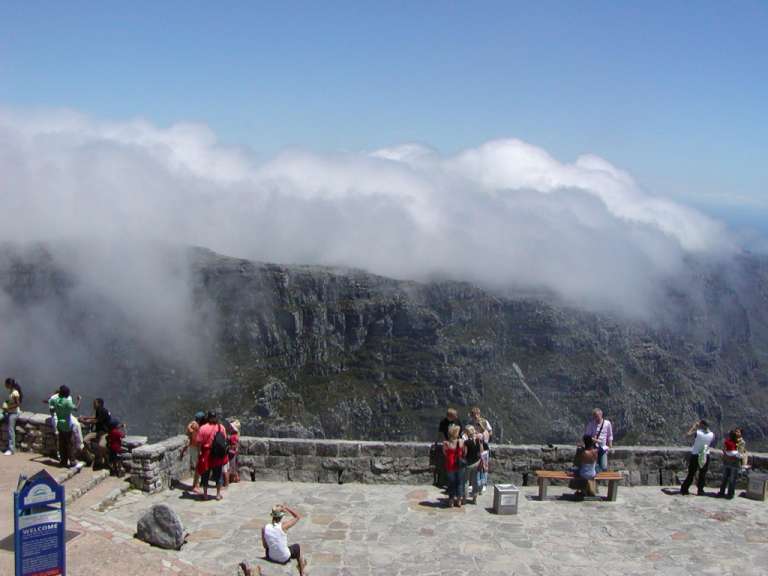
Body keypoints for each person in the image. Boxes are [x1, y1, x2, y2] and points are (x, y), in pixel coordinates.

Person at [262, 504, 307, 576]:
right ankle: (302, 573)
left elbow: (265, 546)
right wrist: (287, 508)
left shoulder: (264, 528)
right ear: (281, 516)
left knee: (269, 546)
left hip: (271, 556)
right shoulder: (284, 526)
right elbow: (297, 516)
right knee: (298, 547)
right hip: (284, 558)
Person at [195, 411, 228, 500]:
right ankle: (217, 494)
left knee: (205, 474)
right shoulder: (221, 427)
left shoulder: (202, 428)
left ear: (208, 418)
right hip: (217, 454)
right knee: (218, 474)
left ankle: (205, 494)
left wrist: (199, 453)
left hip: (206, 454)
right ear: (216, 417)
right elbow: (224, 440)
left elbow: (198, 442)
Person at [680, 419, 715, 496]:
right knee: (702, 474)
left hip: (696, 454)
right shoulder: (712, 434)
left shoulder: (697, 433)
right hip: (705, 454)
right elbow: (711, 443)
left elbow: (687, 435)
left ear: (701, 425)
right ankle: (700, 490)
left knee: (691, 473)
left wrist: (694, 427)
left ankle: (684, 489)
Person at [50, 386, 81, 468]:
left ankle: (63, 461)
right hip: (67, 426)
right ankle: (72, 461)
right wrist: (79, 400)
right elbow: (76, 409)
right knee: (69, 444)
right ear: (67, 393)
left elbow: (52, 409)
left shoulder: (56, 401)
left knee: (62, 444)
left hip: (60, 424)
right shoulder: (67, 402)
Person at [79, 398, 111, 469]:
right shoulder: (98, 410)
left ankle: (106, 460)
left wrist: (84, 421)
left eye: (95, 403)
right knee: (85, 440)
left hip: (104, 432)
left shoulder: (103, 411)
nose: (93, 404)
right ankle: (92, 456)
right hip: (97, 431)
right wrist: (85, 417)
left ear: (99, 404)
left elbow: (96, 420)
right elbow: (94, 417)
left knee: (101, 446)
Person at [180, 411, 206, 493]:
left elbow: (188, 434)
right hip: (195, 448)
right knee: (198, 467)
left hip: (193, 447)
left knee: (198, 467)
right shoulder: (196, 426)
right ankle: (195, 485)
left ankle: (197, 484)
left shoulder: (192, 425)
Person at [569, 435, 599, 499]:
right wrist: (594, 440)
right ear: (591, 442)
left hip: (583, 474)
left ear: (584, 442)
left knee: (571, 469)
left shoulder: (582, 452)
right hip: (592, 474)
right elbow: (600, 445)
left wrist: (579, 448)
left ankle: (582, 490)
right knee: (597, 467)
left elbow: (576, 463)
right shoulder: (596, 451)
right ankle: (586, 490)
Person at [443, 424, 465, 507]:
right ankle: (459, 501)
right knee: (459, 483)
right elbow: (464, 451)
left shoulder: (446, 443)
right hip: (459, 465)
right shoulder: (461, 441)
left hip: (450, 465)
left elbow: (445, 453)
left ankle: (451, 501)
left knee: (451, 483)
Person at [1, 378, 23, 455]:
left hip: (14, 413)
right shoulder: (11, 391)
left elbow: (18, 404)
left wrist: (8, 408)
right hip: (10, 412)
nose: (5, 385)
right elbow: (12, 402)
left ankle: (11, 449)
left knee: (10, 430)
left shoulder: (15, 393)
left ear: (9, 384)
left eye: (6, 384)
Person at [718, 430, 741, 499]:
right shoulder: (737, 442)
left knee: (727, 478)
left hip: (729, 461)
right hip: (733, 462)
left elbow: (724, 450)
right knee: (730, 479)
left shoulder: (738, 442)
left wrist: (727, 456)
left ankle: (725, 493)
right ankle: (729, 494)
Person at [463, 425, 482, 503]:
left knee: (466, 481)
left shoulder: (466, 442)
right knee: (475, 481)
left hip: (468, 463)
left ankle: (464, 498)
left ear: (467, 433)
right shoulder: (478, 440)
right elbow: (481, 451)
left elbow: (465, 453)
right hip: (476, 462)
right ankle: (474, 498)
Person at [227, 419, 240, 484]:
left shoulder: (232, 437)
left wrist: (228, 447)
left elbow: (233, 445)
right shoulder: (236, 435)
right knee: (234, 466)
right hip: (235, 452)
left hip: (232, 452)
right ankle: (236, 478)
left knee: (231, 466)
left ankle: (231, 479)